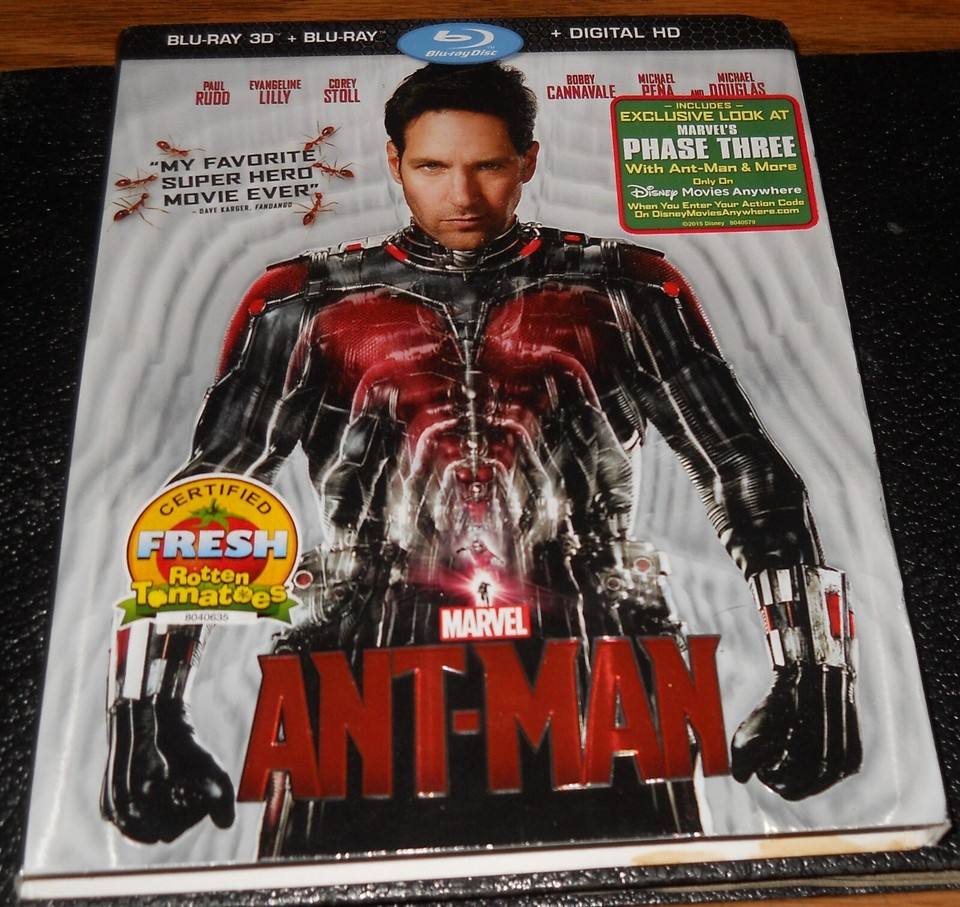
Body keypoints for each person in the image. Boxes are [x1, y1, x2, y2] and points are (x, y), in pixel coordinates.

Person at [102, 62, 861, 849]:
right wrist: (144, 706)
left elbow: (743, 470)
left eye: (488, 165)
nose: (461, 195)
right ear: (395, 162)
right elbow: (211, 502)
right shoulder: (307, 304)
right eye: (433, 166)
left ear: (528, 161)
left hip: (594, 662)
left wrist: (814, 664)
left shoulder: (624, 291)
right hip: (364, 669)